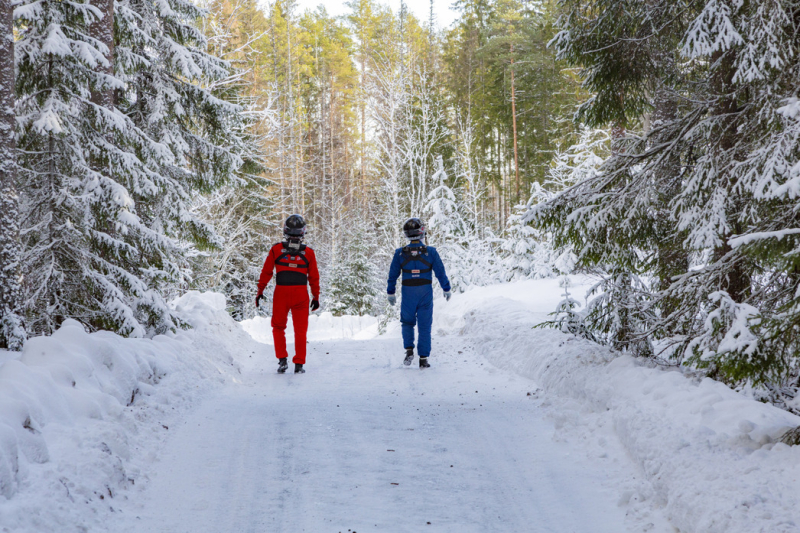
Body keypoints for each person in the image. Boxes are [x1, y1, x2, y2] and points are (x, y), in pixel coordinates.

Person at [256, 214, 320, 374]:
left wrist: (260, 291)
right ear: (303, 232)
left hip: (281, 293)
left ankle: (282, 360)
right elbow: (314, 277)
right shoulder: (309, 253)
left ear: (285, 230)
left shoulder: (276, 250)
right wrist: (316, 296)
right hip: (300, 294)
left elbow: (267, 272)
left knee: (278, 327)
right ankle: (299, 364)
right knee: (300, 330)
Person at [386, 217, 451, 368]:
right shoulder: (431, 252)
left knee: (407, 322)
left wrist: (391, 292)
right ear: (422, 232)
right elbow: (440, 272)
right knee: (424, 325)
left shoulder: (400, 254)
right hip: (425, 293)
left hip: (408, 292)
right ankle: (423, 359)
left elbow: (392, 275)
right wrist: (446, 288)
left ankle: (409, 350)